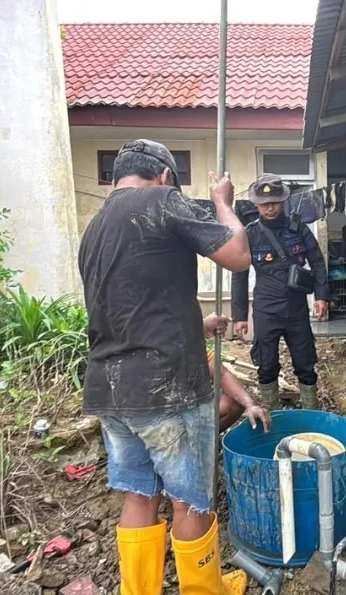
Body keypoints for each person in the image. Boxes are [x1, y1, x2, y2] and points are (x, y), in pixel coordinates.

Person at [78, 139, 252, 595]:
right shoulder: (161, 200)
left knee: (140, 494)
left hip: (110, 387)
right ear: (164, 176)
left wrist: (196, 321)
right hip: (166, 387)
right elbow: (237, 255)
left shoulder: (95, 226)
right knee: (191, 501)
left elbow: (140, 302)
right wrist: (222, 204)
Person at [231, 174, 329, 410]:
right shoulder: (249, 233)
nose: (270, 208)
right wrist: (240, 316)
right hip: (266, 308)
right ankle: (272, 416)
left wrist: (321, 296)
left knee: (305, 363)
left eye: (274, 202)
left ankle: (310, 414)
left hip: (296, 308)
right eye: (264, 204)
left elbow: (317, 262)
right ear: (256, 204)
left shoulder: (299, 229)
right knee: (266, 365)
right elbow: (240, 274)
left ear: (283, 201)